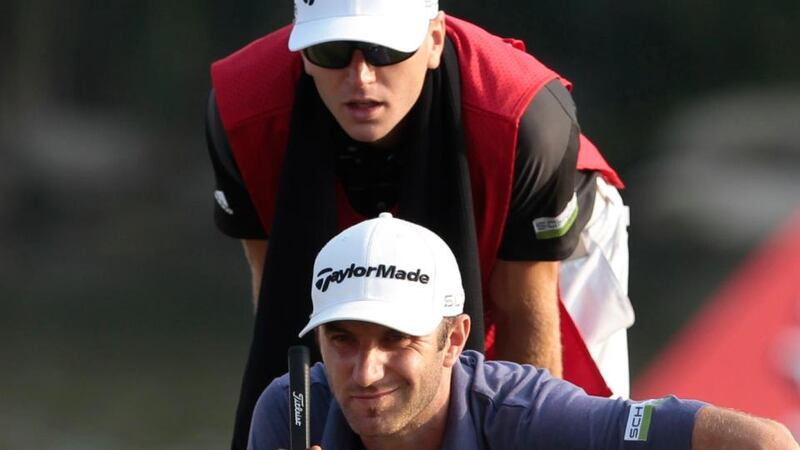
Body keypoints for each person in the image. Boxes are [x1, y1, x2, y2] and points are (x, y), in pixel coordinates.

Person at [206, 0, 632, 446]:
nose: (361, 78)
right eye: (332, 52)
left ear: (433, 40)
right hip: (340, 211)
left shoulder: (525, 118)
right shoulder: (240, 110)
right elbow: (281, 299)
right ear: (302, 52)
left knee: (577, 426)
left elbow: (526, 333)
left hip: (535, 223)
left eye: (384, 50)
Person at [248, 213, 798, 450]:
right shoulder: (291, 411)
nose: (365, 372)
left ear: (455, 340)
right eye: (343, 339)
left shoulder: (531, 415)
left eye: (397, 340)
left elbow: (763, 442)